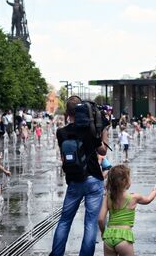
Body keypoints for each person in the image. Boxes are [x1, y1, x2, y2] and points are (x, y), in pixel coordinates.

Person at [51, 96, 108, 256]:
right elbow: (103, 151)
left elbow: (64, 157)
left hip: (74, 181)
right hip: (94, 180)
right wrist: (103, 129)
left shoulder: (61, 132)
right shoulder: (89, 130)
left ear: (68, 112)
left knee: (64, 221)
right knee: (90, 223)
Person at [98, 164, 156, 255]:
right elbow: (148, 200)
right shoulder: (134, 197)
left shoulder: (107, 197)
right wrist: (155, 191)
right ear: (125, 181)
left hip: (109, 236)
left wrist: (103, 232)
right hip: (124, 237)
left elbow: (101, 219)